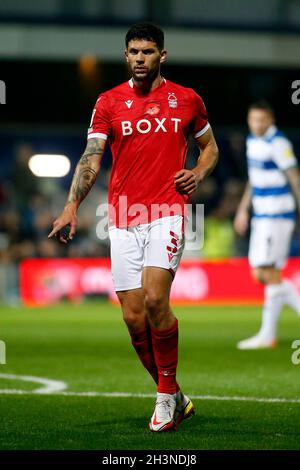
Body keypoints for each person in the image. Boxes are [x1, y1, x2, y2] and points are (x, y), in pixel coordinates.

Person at [48, 22, 218, 431]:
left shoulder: (187, 100)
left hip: (167, 211)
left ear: (163, 55)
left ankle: (163, 400)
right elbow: (91, 157)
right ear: (126, 56)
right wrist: (72, 205)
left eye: (148, 51)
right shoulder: (108, 102)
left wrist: (198, 171)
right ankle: (175, 394)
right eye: (133, 52)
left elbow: (210, 147)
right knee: (132, 316)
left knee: (157, 299)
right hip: (122, 215)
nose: (140, 58)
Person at [234, 101, 300, 349]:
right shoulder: (253, 140)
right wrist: (243, 209)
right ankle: (267, 333)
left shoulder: (279, 143)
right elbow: (253, 179)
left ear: (270, 120)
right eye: (253, 120)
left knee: (268, 271)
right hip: (261, 215)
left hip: (278, 213)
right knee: (259, 273)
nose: (257, 124)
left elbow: (295, 177)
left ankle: (267, 335)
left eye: (261, 120)